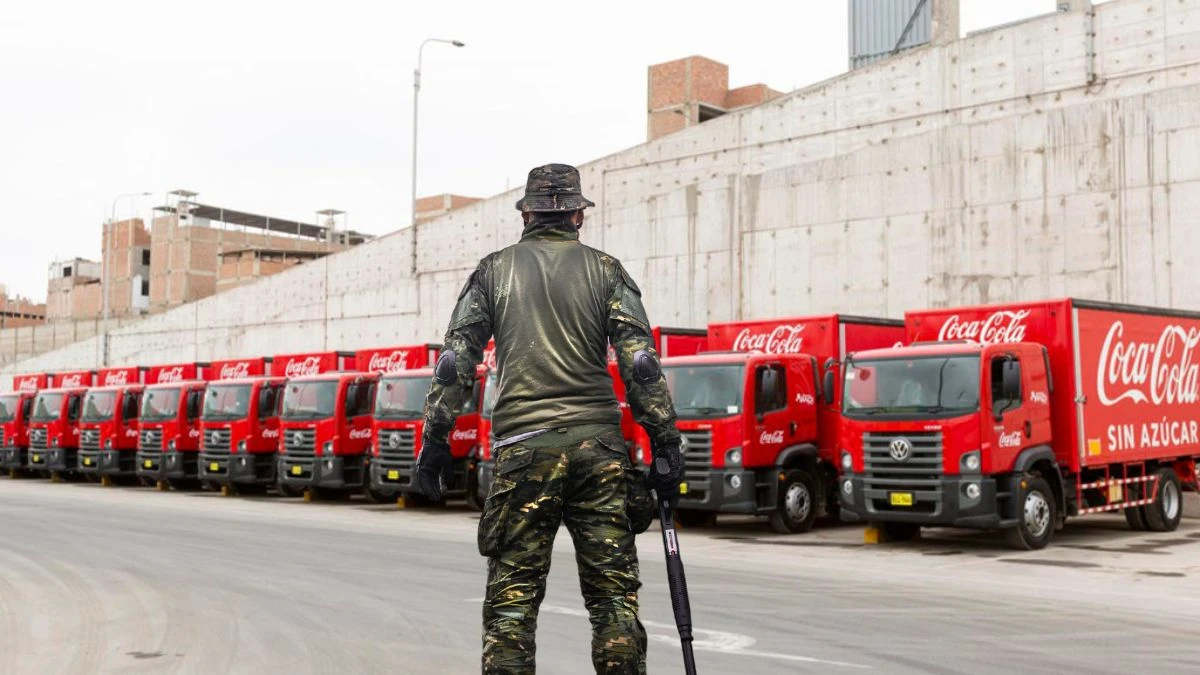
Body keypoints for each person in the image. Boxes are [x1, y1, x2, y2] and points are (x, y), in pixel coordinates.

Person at [415, 163, 684, 674]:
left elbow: (455, 359)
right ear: (578, 215)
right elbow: (640, 363)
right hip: (599, 453)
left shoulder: (493, 271)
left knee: (512, 608)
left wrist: (436, 439)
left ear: (527, 213)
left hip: (524, 448)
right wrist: (666, 443)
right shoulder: (607, 271)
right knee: (613, 602)